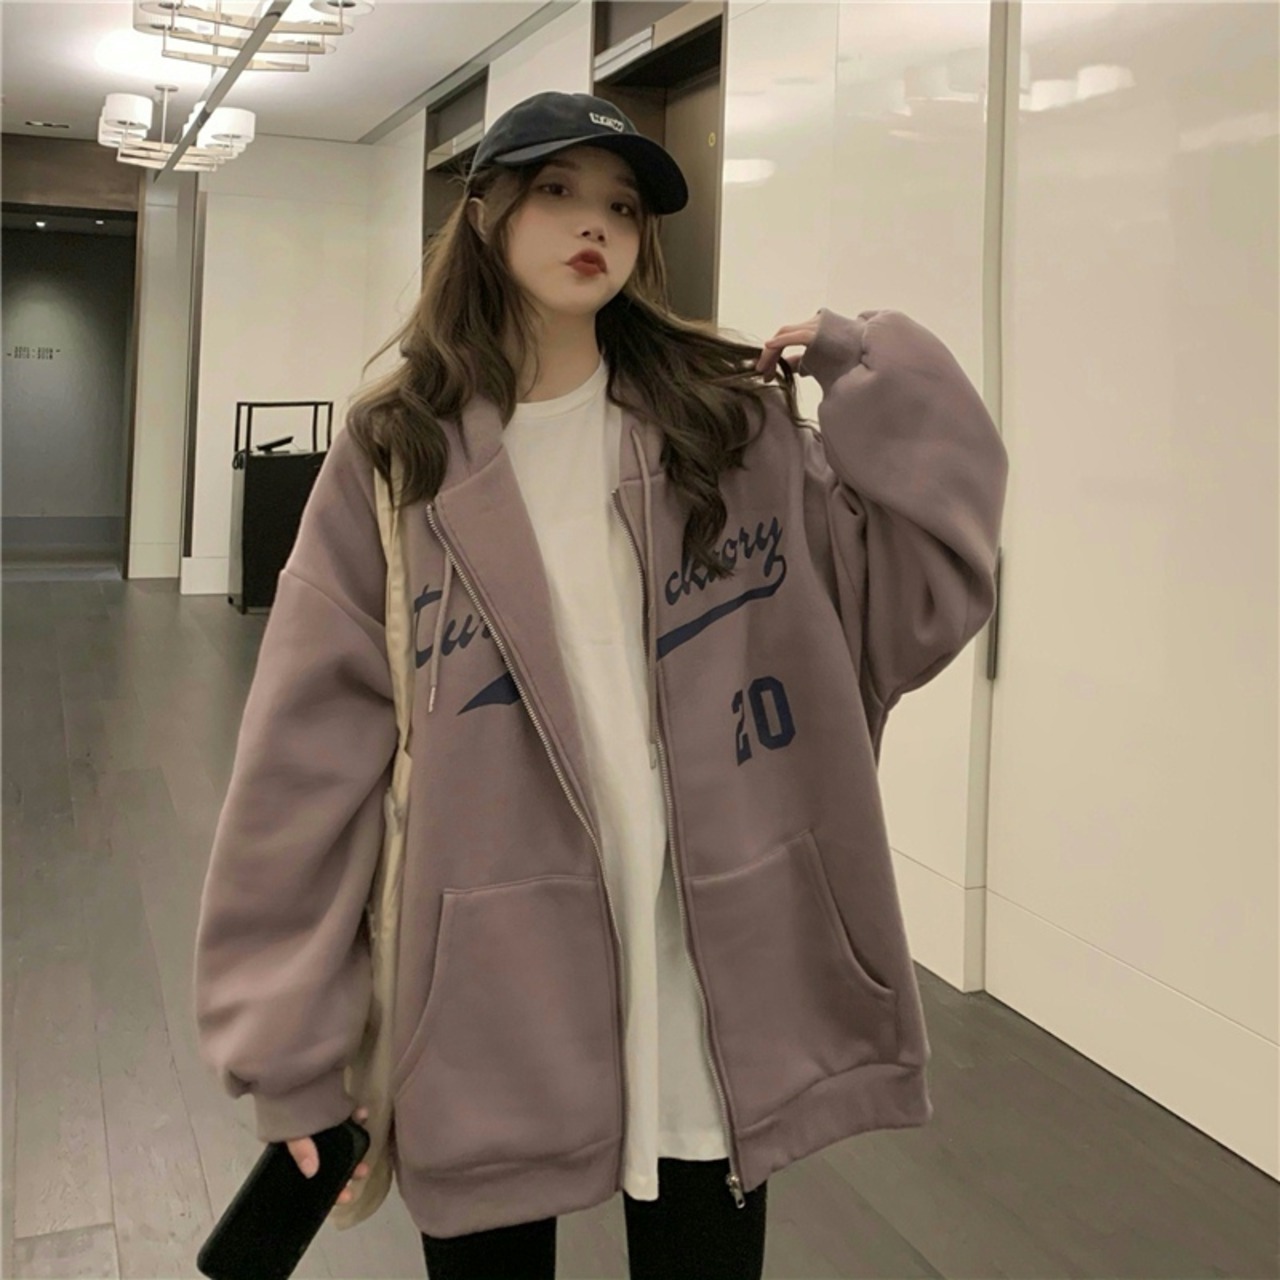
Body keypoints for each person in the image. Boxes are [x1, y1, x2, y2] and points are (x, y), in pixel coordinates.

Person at [193, 90, 1008, 1280]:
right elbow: (302, 764)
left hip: (704, 964)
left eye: (621, 206)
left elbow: (918, 597)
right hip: (488, 979)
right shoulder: (398, 453)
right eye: (556, 191)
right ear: (485, 214)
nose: (595, 224)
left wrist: (875, 368)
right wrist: (288, 1041)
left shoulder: (723, 430)